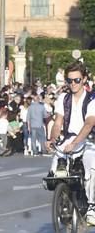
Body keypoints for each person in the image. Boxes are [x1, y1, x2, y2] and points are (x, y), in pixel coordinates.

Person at [47, 62, 95, 222]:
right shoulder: (63, 98)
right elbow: (58, 122)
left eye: (77, 80)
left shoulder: (92, 99)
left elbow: (89, 124)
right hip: (67, 140)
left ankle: (92, 206)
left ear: (84, 79)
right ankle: (64, 202)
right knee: (55, 172)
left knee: (91, 169)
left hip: (88, 141)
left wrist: (75, 144)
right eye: (70, 80)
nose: (73, 84)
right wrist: (53, 139)